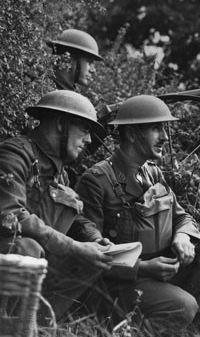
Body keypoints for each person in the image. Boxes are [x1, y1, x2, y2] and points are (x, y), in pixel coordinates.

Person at [75, 94, 200, 334]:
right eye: (156, 129)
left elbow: (181, 216)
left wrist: (183, 237)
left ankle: (190, 328)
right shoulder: (96, 180)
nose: (165, 137)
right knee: (183, 305)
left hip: (158, 269)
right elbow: (91, 256)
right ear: (133, 134)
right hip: (122, 283)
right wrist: (144, 267)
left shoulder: (152, 173)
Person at [0, 90, 114, 320]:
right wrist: (72, 246)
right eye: (84, 129)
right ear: (61, 124)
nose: (89, 140)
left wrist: (93, 239)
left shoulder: (58, 172)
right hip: (11, 258)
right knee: (27, 249)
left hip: (35, 264)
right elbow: (10, 217)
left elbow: (75, 219)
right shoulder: (14, 155)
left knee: (92, 260)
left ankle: (40, 324)